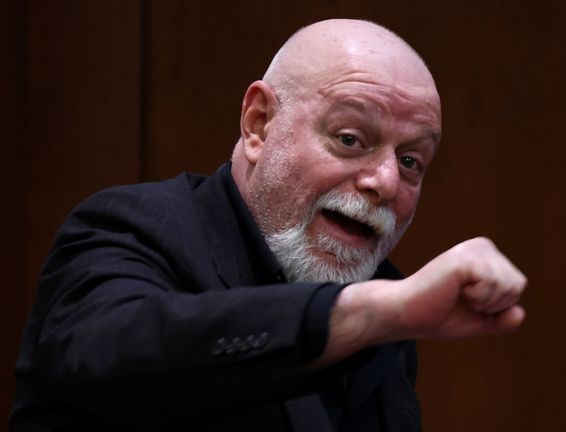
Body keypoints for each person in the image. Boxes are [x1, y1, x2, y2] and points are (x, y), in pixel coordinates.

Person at [10, 19, 526, 431]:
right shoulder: (130, 229)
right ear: (259, 124)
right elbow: (122, 358)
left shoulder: (388, 299)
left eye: (412, 161)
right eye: (350, 138)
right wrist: (368, 314)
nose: (386, 182)